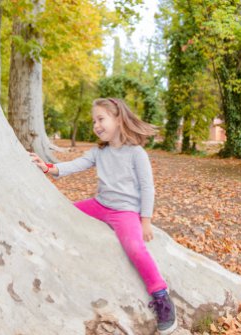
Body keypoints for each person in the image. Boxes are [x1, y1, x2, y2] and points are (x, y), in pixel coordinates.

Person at [30, 98, 177, 334]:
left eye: (101, 119)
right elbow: (76, 164)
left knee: (135, 247)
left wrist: (145, 220)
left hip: (125, 211)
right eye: (94, 121)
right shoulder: (99, 151)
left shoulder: (136, 153)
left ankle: (161, 296)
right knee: (62, 213)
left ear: (118, 119)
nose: (96, 125)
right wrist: (49, 168)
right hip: (100, 205)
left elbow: (147, 187)